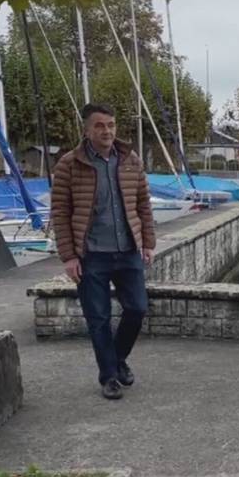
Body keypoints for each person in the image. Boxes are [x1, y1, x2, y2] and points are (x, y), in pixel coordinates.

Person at [50, 103, 155, 400]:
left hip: (128, 251)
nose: (106, 131)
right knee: (98, 319)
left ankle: (117, 359)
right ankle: (109, 376)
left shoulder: (130, 159)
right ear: (86, 129)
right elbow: (60, 212)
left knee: (137, 308)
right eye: (99, 125)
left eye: (110, 124)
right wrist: (69, 256)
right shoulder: (69, 164)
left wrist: (148, 242)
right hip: (92, 255)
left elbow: (143, 205)